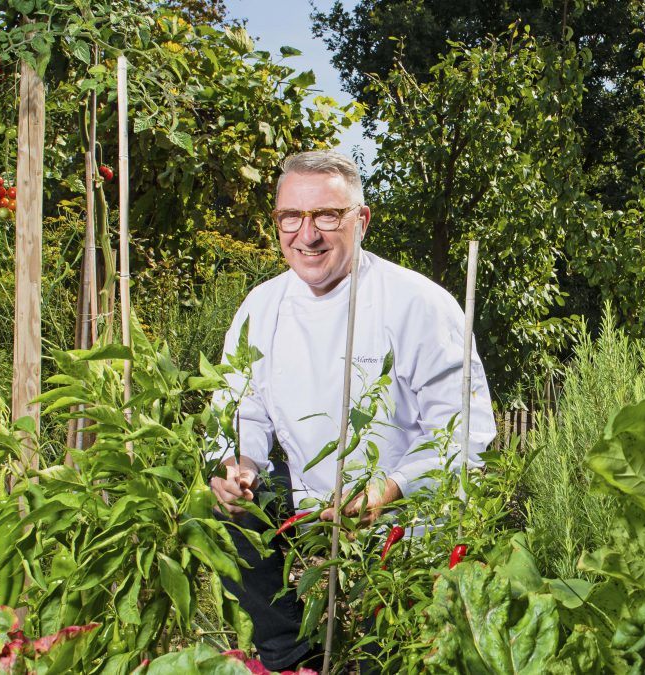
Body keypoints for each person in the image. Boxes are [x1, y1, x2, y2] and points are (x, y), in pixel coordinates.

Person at [208, 150, 496, 671]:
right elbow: (237, 411)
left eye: (327, 216)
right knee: (231, 509)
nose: (306, 234)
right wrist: (238, 467)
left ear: (360, 220)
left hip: (405, 527)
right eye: (290, 217)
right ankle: (293, 658)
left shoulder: (416, 304)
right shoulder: (263, 306)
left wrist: (391, 487)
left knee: (386, 654)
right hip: (315, 525)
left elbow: (466, 432)